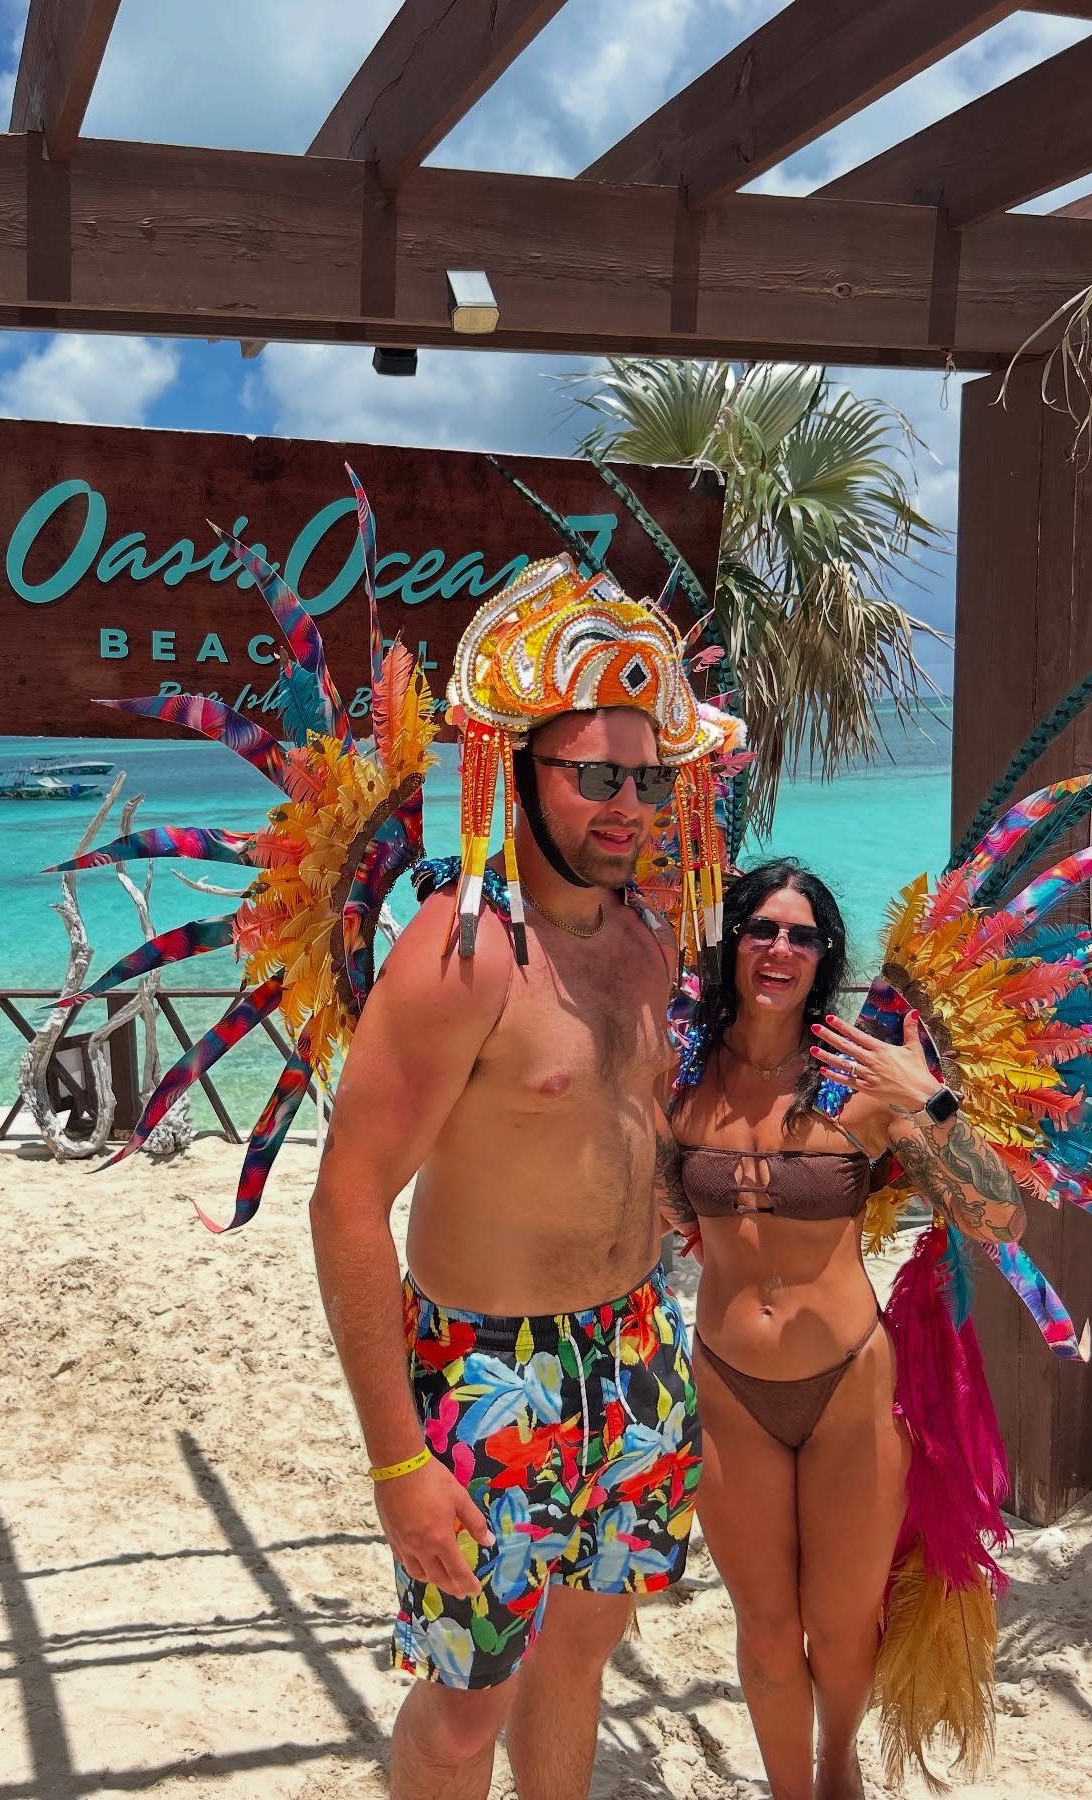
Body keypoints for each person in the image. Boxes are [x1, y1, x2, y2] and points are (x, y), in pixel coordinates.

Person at [310, 553, 742, 1799]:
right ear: (516, 768)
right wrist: (399, 1462)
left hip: (637, 1345)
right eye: (597, 776)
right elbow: (346, 1204)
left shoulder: (650, 940)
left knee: (582, 1657)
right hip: (489, 1371)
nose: (629, 807)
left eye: (649, 780)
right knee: (464, 1710)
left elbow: (627, 1127)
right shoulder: (462, 956)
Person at [662, 860, 1026, 1800]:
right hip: (728, 1389)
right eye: (762, 929)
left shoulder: (861, 1079)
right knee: (766, 1632)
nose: (780, 949)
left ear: (826, 958)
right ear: (731, 943)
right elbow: (646, 1203)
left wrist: (927, 1095)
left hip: (847, 1389)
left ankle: (837, 1767)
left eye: (804, 936)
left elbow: (999, 1220)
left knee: (839, 1623)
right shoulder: (682, 1077)